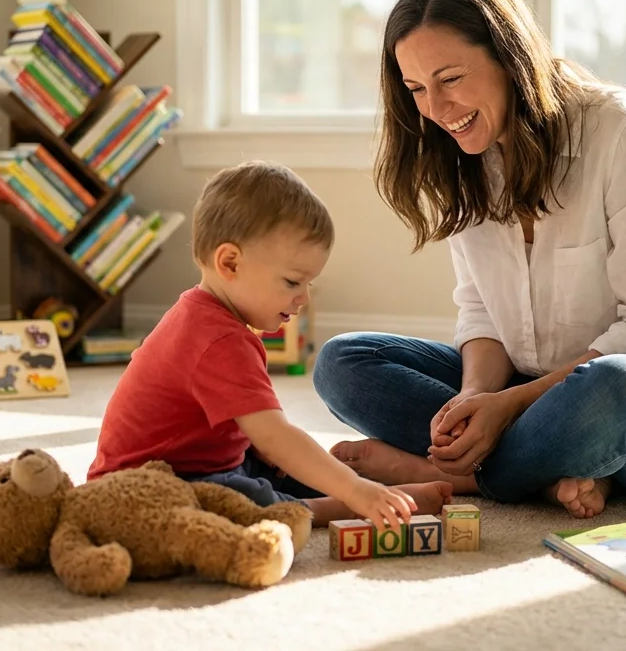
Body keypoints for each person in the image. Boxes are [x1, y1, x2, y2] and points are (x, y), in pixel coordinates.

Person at [312, 0, 626, 519]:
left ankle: (460, 476)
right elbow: (482, 314)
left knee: (614, 389)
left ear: (509, 58)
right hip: (529, 394)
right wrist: (475, 398)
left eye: (450, 79)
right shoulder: (464, 154)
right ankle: (546, 472)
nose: (436, 110)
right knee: (342, 362)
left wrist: (509, 406)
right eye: (417, 89)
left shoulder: (624, 131)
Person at [88, 160, 453, 530]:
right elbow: (275, 435)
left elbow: (245, 431)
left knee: (279, 467)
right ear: (230, 263)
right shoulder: (219, 340)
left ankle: (368, 492)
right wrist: (356, 491)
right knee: (251, 501)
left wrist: (271, 453)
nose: (303, 299)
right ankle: (342, 507)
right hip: (148, 485)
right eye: (294, 282)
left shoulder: (201, 314)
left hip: (199, 460)